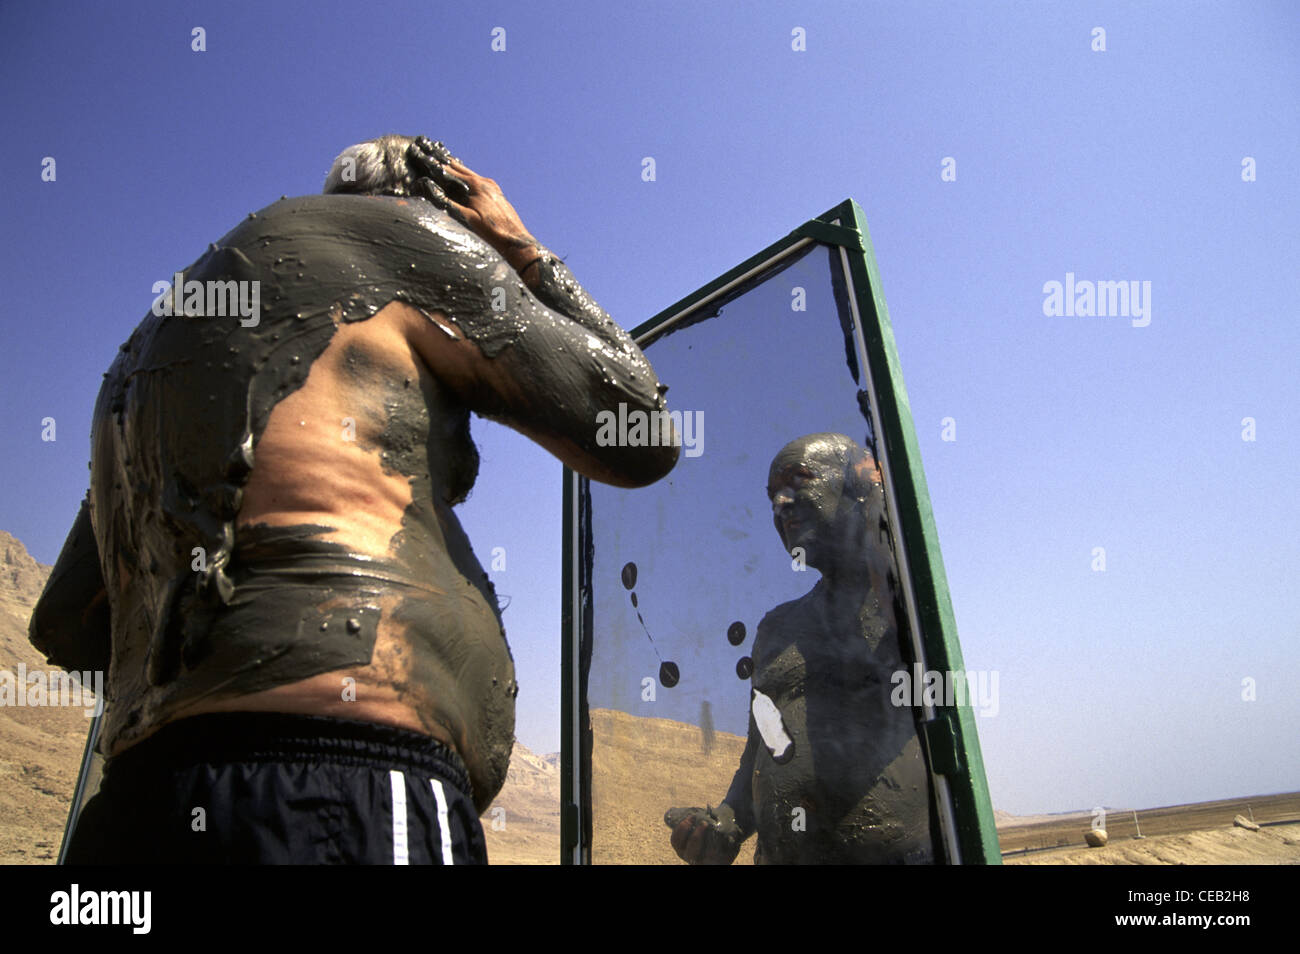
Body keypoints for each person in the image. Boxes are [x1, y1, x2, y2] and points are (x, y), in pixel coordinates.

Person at [30, 135, 678, 864]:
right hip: (340, 784)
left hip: (132, 808)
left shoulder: (145, 353)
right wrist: (521, 246)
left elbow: (65, 621)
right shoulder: (407, 236)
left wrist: (203, 699)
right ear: (441, 198)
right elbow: (641, 433)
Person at [665, 433, 933, 864]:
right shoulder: (777, 628)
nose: (781, 505)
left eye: (798, 484)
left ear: (861, 490)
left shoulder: (908, 608)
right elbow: (764, 747)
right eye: (773, 497)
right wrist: (728, 825)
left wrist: (878, 516)